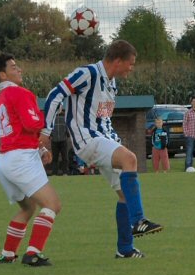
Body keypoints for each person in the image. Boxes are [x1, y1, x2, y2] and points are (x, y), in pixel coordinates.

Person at [41, 40, 163, 259]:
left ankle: (124, 249)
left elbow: (104, 117)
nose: (131, 68)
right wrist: (45, 131)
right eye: (131, 63)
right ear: (118, 60)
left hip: (103, 137)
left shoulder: (111, 83)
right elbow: (54, 95)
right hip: (86, 138)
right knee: (130, 159)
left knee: (125, 194)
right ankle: (139, 221)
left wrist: (114, 140)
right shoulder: (87, 74)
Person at [0, 53, 62, 267]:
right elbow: (32, 124)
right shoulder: (19, 93)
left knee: (28, 207)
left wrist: (39, 148)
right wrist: (42, 119)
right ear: (3, 75)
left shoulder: (2, 97)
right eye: (13, 67)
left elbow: (19, 130)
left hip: (5, 160)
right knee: (52, 204)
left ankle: (8, 253)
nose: (19, 69)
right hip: (21, 159)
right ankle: (33, 253)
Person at [49, 107, 68, 176]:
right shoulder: (53, 119)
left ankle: (62, 172)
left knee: (61, 157)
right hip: (59, 140)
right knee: (60, 157)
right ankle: (62, 173)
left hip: (57, 140)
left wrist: (51, 135)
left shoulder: (52, 119)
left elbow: (49, 129)